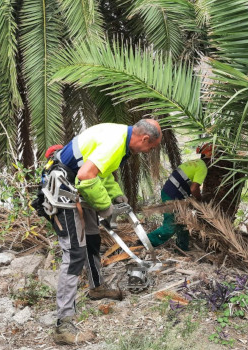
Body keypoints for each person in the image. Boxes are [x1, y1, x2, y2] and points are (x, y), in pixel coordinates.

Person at [47, 119, 162, 345]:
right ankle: (63, 324)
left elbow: (103, 172)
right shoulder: (115, 141)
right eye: (151, 148)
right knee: (74, 254)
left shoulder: (120, 139)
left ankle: (97, 288)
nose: (149, 152)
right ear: (145, 139)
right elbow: (87, 176)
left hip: (75, 187)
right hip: (63, 190)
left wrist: (116, 194)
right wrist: (105, 206)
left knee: (91, 238)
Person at [146, 144, 212, 251]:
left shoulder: (194, 163)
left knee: (182, 222)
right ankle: (146, 242)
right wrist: (200, 201)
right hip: (172, 196)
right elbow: (194, 188)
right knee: (170, 227)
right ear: (212, 158)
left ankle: (182, 248)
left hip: (169, 192)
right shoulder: (203, 168)